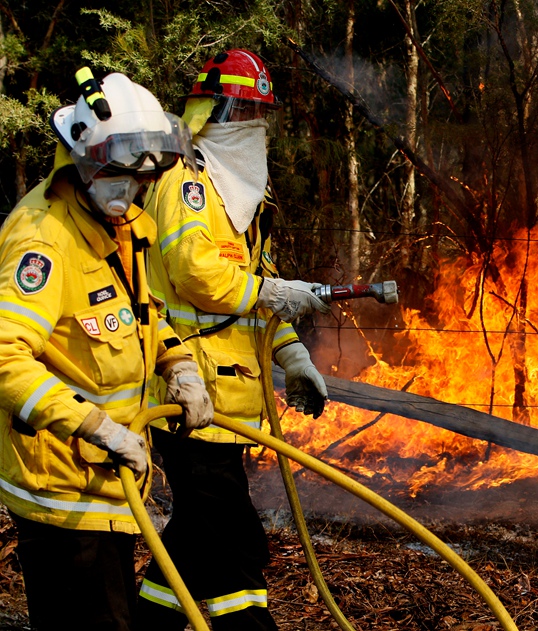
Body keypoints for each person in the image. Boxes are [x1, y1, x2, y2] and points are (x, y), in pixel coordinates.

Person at [0, 68, 214, 631]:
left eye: (140, 180)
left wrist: (178, 362)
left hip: (111, 485)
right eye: (117, 175)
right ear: (82, 161)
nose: (130, 191)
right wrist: (95, 425)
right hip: (64, 495)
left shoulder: (121, 229)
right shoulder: (44, 239)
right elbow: (4, 357)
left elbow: (138, 316)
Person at [136, 49, 330, 630]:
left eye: (259, 111)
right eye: (242, 108)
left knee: (198, 535)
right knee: (235, 535)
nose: (252, 123)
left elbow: (258, 289)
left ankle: (155, 619)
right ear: (210, 110)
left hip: (232, 401)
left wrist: (293, 355)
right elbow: (201, 273)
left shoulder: (242, 198)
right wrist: (270, 293)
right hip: (187, 393)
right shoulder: (184, 182)